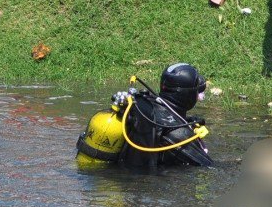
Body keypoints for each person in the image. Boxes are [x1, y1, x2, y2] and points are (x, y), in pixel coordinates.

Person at [75, 63, 212, 170]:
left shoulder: (143, 104)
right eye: (196, 92)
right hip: (137, 184)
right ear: (186, 95)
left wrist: (188, 123)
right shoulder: (177, 133)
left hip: (107, 172)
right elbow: (207, 166)